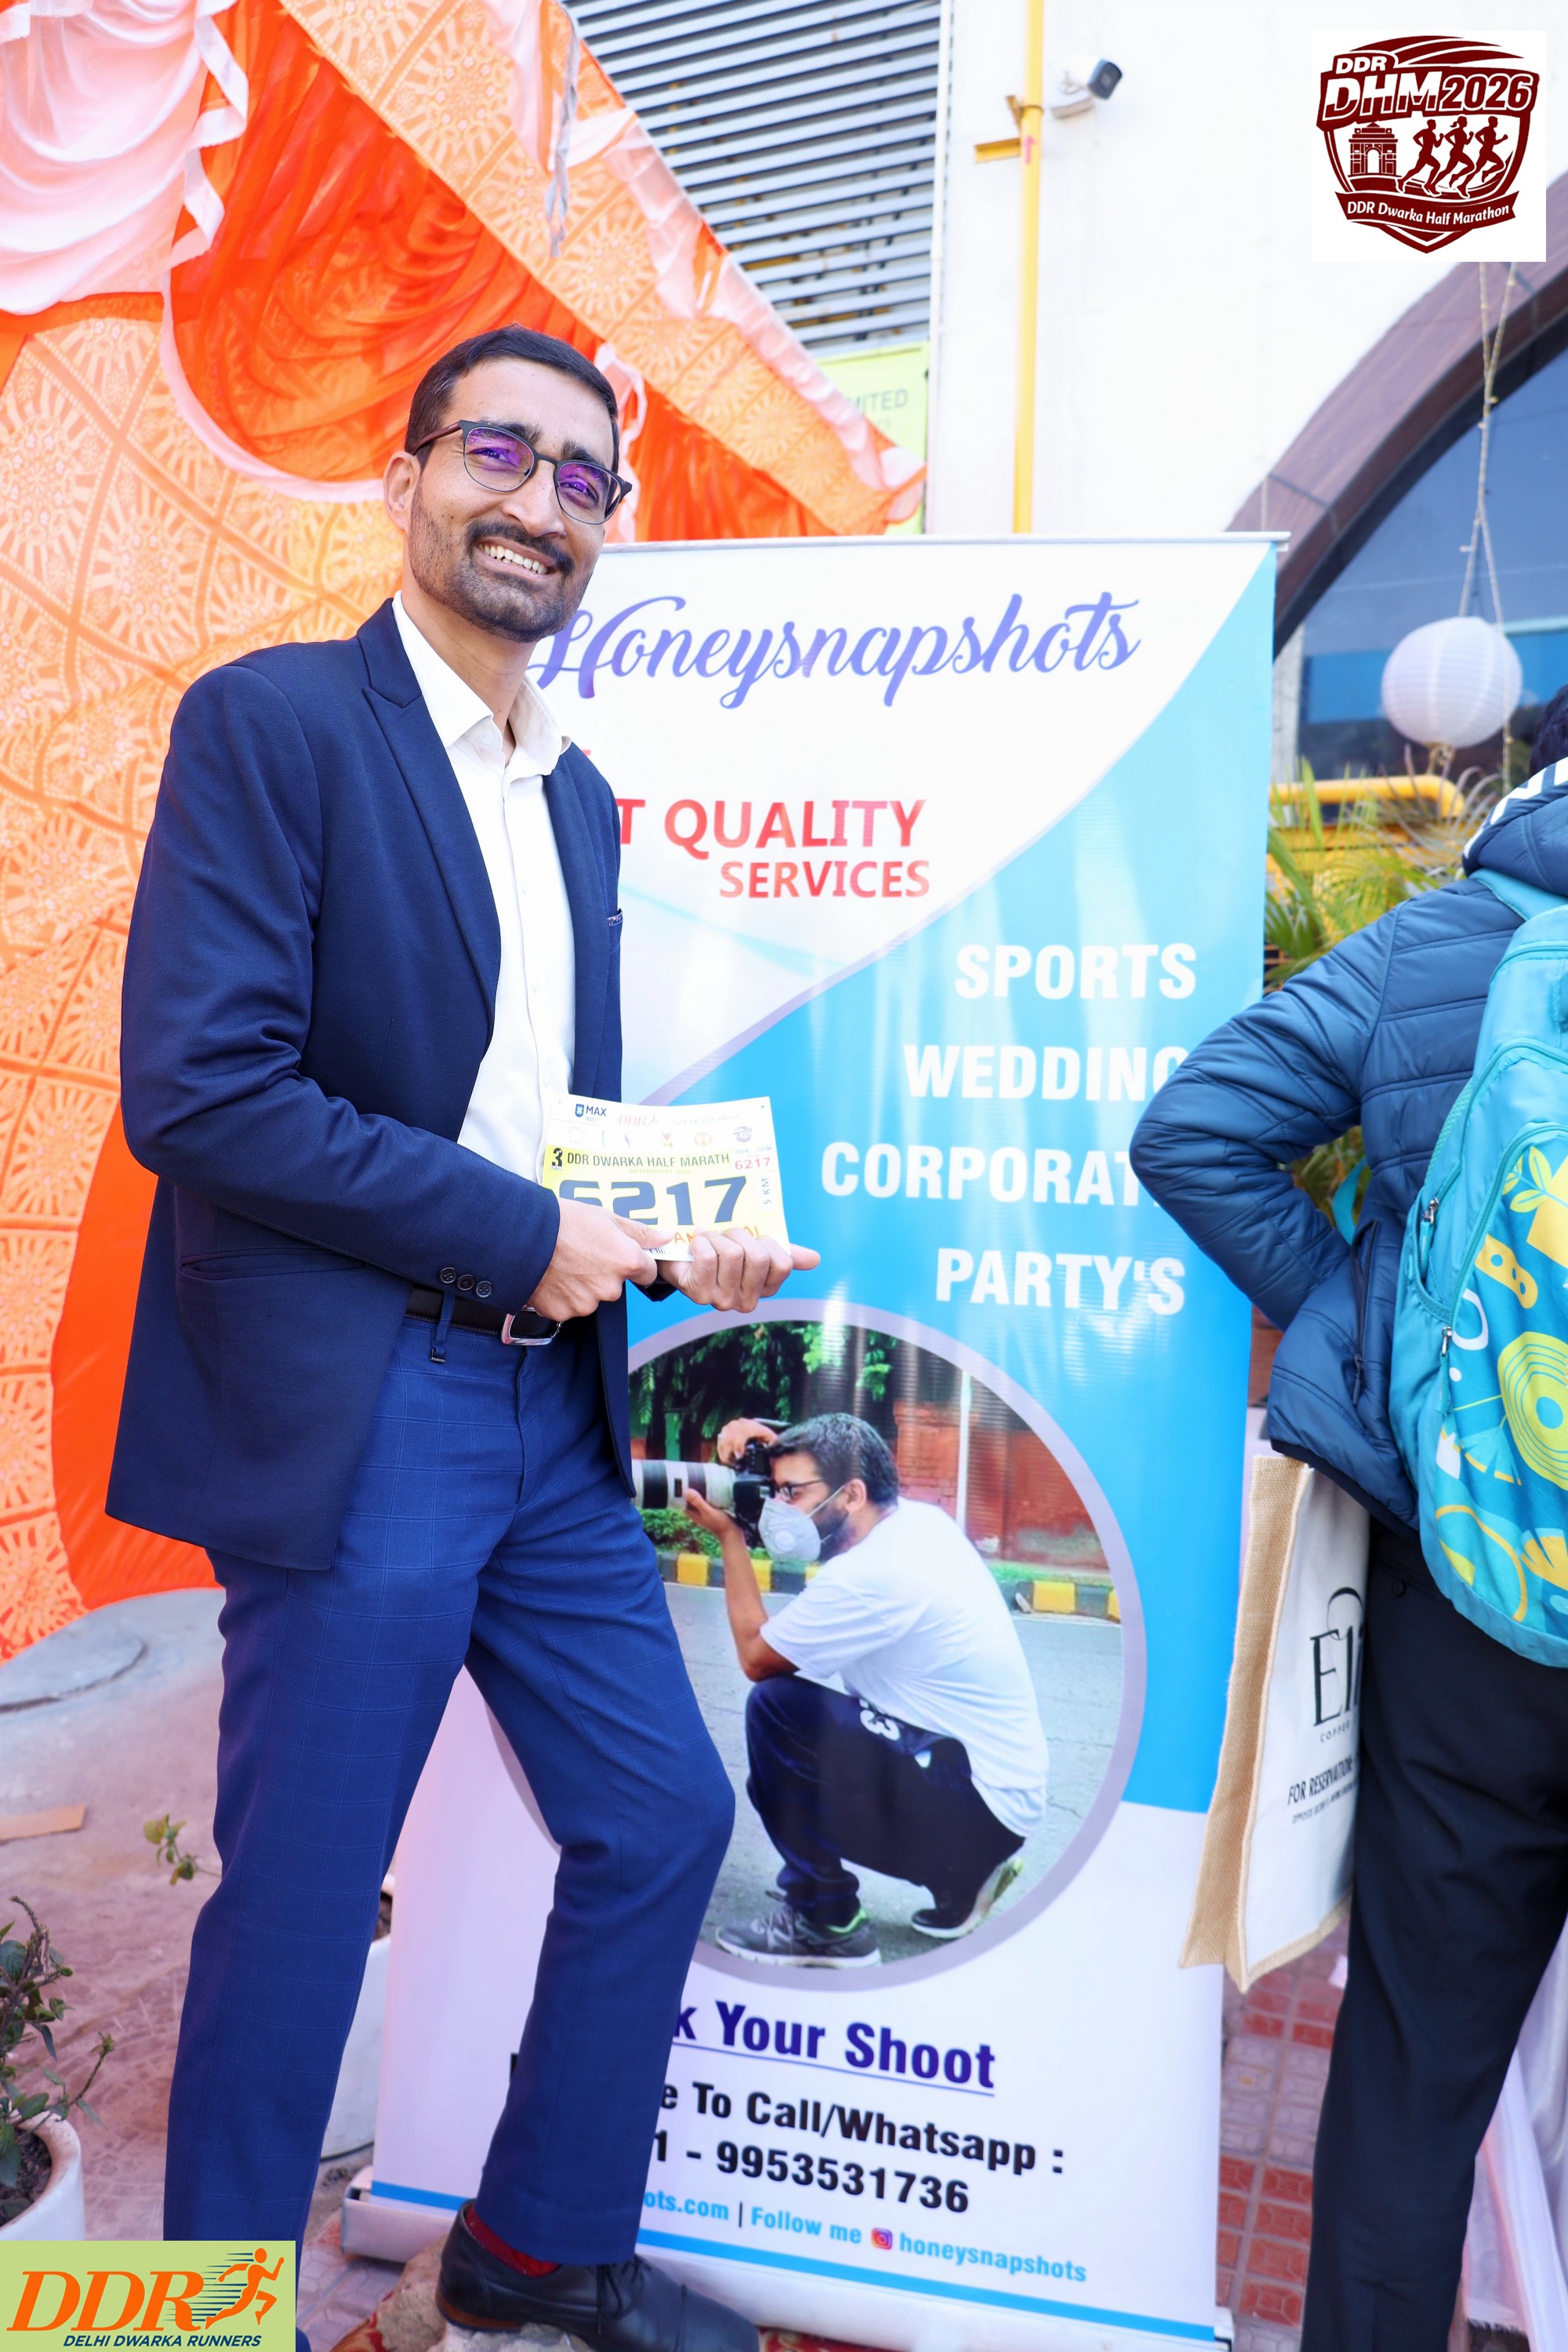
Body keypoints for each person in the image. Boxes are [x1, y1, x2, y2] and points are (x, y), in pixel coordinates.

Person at [111, 325, 818, 2352]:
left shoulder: (577, 797)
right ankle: (195, 2327)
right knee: (303, 1908)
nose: (539, 501)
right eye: (498, 452)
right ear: (406, 476)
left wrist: (664, 1240)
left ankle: (536, 2248)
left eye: (584, 478)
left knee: (664, 1816)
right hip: (367, 1407)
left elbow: (533, 1122)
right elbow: (204, 1092)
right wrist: (527, 1232)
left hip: (549, 1418)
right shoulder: (272, 726)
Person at [1130, 758, 1568, 2350]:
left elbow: (1194, 1129)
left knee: (1413, 2069)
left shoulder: (1448, 940)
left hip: (1468, 1585)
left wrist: (1370, 1347)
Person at [683, 1413, 1048, 1965]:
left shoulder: (873, 1573)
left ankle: (825, 1921)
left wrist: (731, 1539)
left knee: (781, 1711)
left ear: (852, 1495)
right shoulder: (918, 1522)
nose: (779, 1508)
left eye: (791, 1493)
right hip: (996, 1801)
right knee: (779, 1781)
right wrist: (774, 1439)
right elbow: (852, 1449)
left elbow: (757, 1658)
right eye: (776, 1491)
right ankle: (960, 1878)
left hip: (972, 1803)